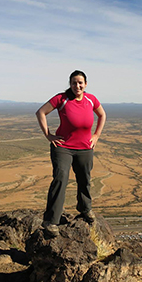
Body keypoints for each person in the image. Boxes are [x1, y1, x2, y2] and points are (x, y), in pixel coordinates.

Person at [35, 70, 106, 236]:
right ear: (70, 84)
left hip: (85, 148)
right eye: (74, 83)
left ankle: (85, 209)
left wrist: (96, 135)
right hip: (63, 147)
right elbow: (41, 112)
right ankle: (51, 221)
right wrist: (48, 135)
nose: (77, 86)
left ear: (86, 84)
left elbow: (102, 114)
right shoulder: (61, 99)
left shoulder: (91, 99)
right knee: (60, 178)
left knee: (84, 178)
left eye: (80, 82)